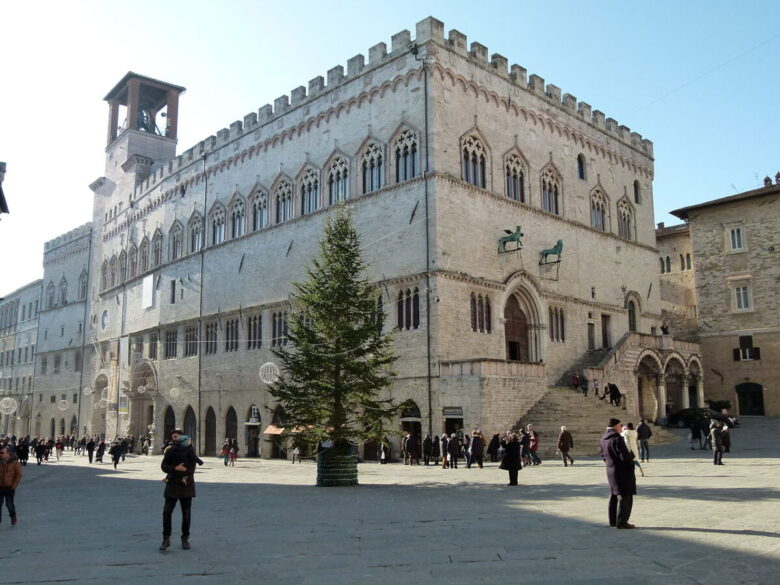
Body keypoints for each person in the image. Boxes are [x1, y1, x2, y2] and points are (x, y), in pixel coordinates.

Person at [160, 429, 200, 551]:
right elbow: (163, 466)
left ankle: (185, 538)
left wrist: (184, 471)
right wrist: (175, 468)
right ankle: (166, 538)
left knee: (186, 514)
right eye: (173, 437)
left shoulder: (190, 450)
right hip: (172, 484)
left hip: (186, 484)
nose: (174, 438)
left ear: (182, 437)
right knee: (167, 512)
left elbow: (192, 468)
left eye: (176, 436)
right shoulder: (170, 450)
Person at [600, 418, 637, 529]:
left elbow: (603, 455)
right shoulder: (617, 439)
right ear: (616, 426)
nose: (622, 427)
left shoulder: (604, 438)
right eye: (621, 425)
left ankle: (613, 521)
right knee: (625, 495)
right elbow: (624, 456)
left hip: (611, 470)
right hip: (622, 471)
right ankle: (622, 521)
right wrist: (631, 458)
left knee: (614, 495)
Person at [0, 446, 21, 526]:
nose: (0, 454)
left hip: (9, 487)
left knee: (9, 504)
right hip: (0, 487)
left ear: (8, 453)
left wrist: (14, 485)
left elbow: (18, 475)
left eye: (2, 453)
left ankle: (13, 516)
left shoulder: (15, 463)